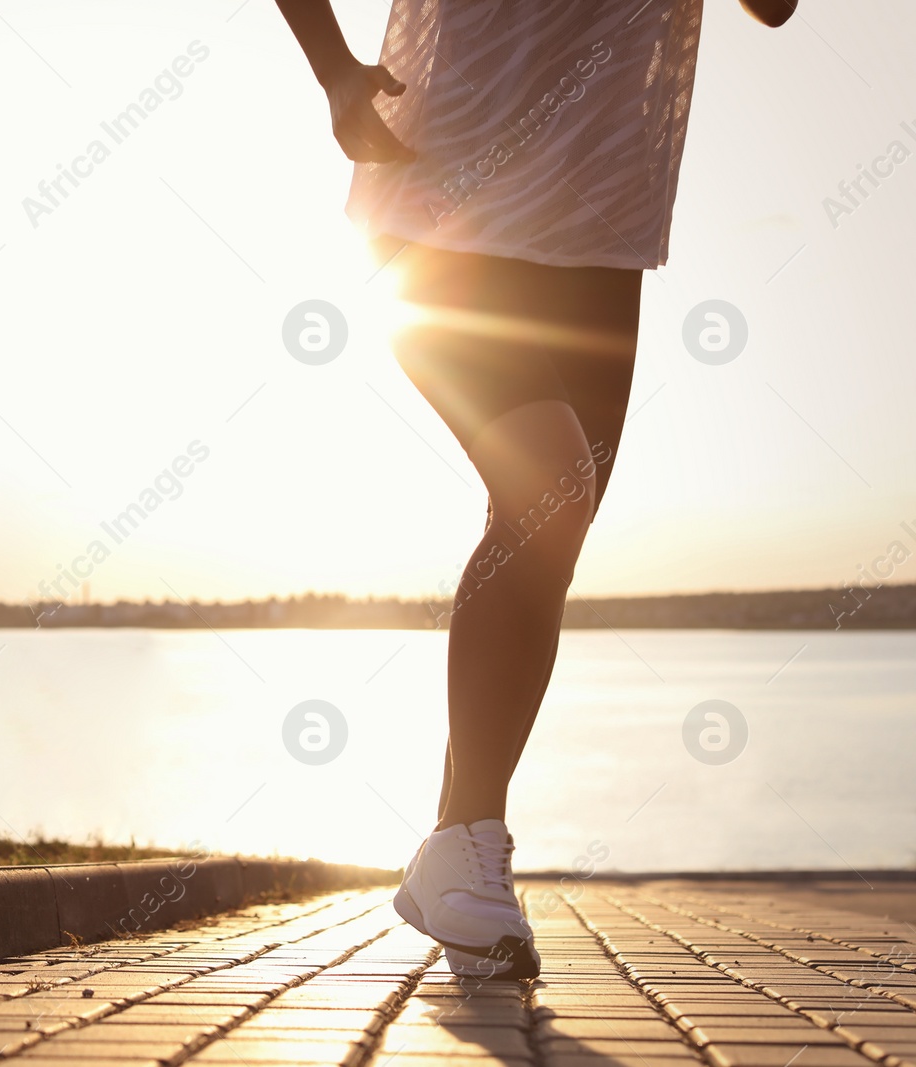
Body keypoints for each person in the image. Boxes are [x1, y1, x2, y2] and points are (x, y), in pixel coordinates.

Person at [272, 0, 796, 978]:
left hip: (599, 220)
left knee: (545, 525)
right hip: (439, 191)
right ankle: (464, 840)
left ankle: (455, 851)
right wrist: (332, 67)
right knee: (549, 485)